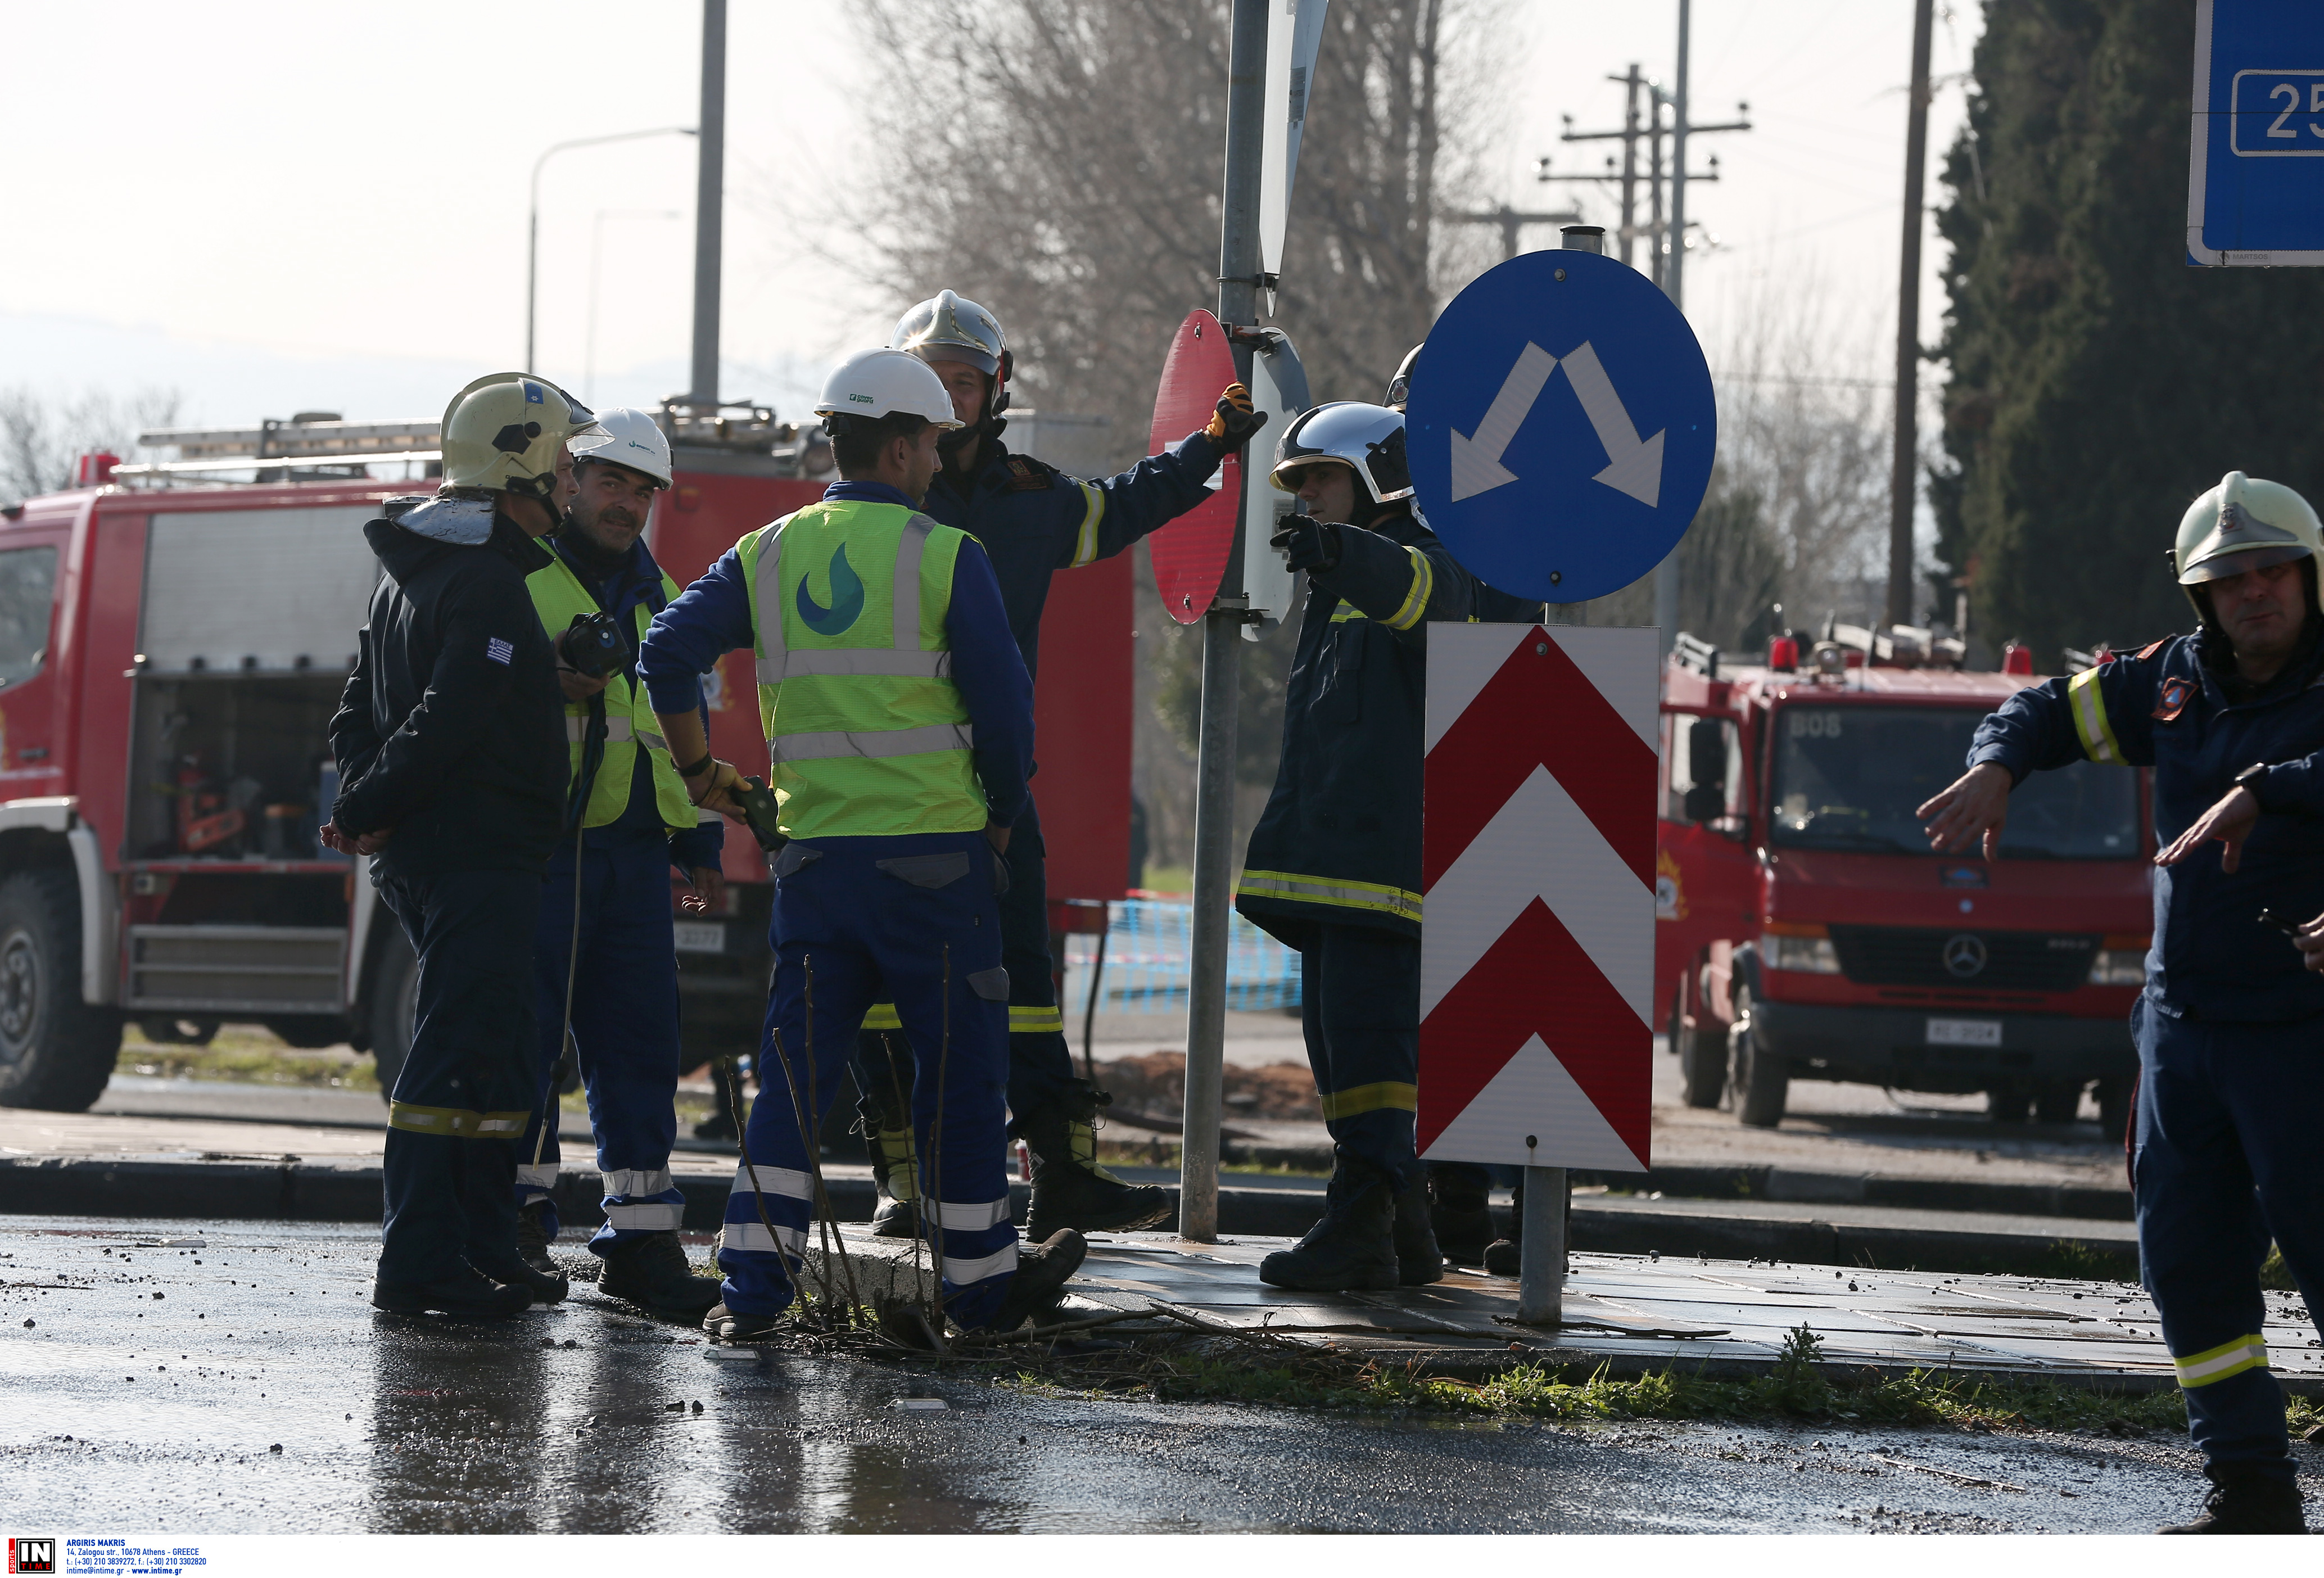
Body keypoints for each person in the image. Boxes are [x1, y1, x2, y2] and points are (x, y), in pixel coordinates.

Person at [640, 348, 1084, 1340]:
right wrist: (1005, 808)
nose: (935, 461)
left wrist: (702, 774)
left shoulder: (766, 551)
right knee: (959, 1081)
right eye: (929, 443)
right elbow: (1005, 710)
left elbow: (664, 650)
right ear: (894, 445)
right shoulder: (944, 554)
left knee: (795, 1081)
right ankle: (979, 1295)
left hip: (814, 866)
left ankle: (750, 1297)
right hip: (937, 862)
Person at [1918, 470, 2324, 1536]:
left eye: (2271, 571)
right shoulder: (2173, 683)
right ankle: (2248, 1491)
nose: (2253, 594)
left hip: (2306, 1039)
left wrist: (2276, 785)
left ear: (2310, 575)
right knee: (2186, 1266)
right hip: (2185, 1033)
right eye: (2227, 580)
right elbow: (2047, 708)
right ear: (2199, 598)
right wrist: (2000, 763)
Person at [851, 290, 1267, 1242]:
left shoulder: (1033, 501)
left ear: (997, 390)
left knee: (1026, 990)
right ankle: (903, 1180)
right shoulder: (873, 500)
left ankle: (1065, 1177)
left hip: (994, 791)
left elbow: (1126, 505)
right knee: (882, 991)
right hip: (887, 788)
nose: (952, 400)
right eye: (936, 382)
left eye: (968, 381)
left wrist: (1206, 448)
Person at [324, 372, 597, 1318]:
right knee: (453, 1061)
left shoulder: (425, 570)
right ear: (518, 463)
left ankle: (482, 1246)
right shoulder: (482, 578)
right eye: (563, 464)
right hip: (476, 857)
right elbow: (446, 720)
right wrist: (371, 805)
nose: (572, 483)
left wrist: (366, 799)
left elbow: (356, 710)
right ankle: (417, 1268)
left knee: (497, 1056)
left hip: (467, 856)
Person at [1233, 402, 1475, 1291]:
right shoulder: (1337, 578)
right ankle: (1401, 1228)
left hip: (1383, 870)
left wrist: (1347, 554)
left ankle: (1361, 1223)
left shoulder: (1426, 557)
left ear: (1379, 477)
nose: (1308, 503)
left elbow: (1433, 597)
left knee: (1369, 1048)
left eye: (1320, 482)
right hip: (1336, 860)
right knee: (1338, 1047)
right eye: (1297, 488)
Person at [507, 408, 725, 1319]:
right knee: (524, 1047)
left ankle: (639, 1243)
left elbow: (681, 733)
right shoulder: (518, 578)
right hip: (542, 846)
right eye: (612, 484)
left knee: (641, 1050)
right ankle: (515, 1227)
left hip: (633, 853)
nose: (628, 504)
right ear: (570, 480)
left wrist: (699, 838)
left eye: (644, 490)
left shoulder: (664, 595)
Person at [1385, 340, 1541, 1271]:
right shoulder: (1400, 525)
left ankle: (1520, 1206)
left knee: (1507, 999)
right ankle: (1451, 1199)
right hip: (1422, 783)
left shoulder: (1514, 524)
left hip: (1502, 774)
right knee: (1427, 1008)